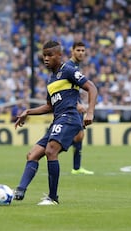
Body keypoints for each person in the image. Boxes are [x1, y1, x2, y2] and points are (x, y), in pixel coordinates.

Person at [13, 40, 97, 205]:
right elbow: (50, 106)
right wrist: (28, 112)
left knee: (51, 151)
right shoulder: (51, 81)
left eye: (49, 55)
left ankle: (52, 198)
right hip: (58, 119)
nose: (46, 59)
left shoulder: (68, 70)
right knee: (32, 154)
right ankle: (19, 191)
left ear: (59, 55)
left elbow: (92, 87)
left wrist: (90, 111)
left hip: (70, 117)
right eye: (44, 55)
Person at [66, 42, 94, 175]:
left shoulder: (76, 67)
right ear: (72, 51)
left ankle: (76, 168)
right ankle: (49, 150)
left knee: (79, 136)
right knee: (77, 135)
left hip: (75, 105)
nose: (81, 53)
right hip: (70, 107)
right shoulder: (69, 67)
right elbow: (64, 88)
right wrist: (75, 104)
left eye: (83, 50)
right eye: (78, 50)